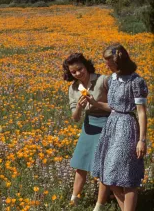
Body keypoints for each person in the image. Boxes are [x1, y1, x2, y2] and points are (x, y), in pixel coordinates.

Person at [87, 43, 148, 211]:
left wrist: (142, 140)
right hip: (111, 126)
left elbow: (142, 112)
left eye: (109, 61)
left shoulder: (136, 82)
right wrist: (94, 103)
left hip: (127, 127)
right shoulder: (112, 79)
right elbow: (112, 107)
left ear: (119, 61)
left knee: (127, 175)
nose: (106, 65)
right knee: (107, 173)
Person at [63, 53, 110, 210]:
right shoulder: (73, 88)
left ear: (86, 66)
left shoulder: (103, 80)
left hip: (107, 124)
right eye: (73, 72)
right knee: (80, 163)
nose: (78, 73)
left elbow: (117, 106)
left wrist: (95, 103)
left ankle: (100, 205)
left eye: (80, 69)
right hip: (89, 125)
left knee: (103, 165)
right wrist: (79, 107)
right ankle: (73, 200)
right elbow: (75, 118)